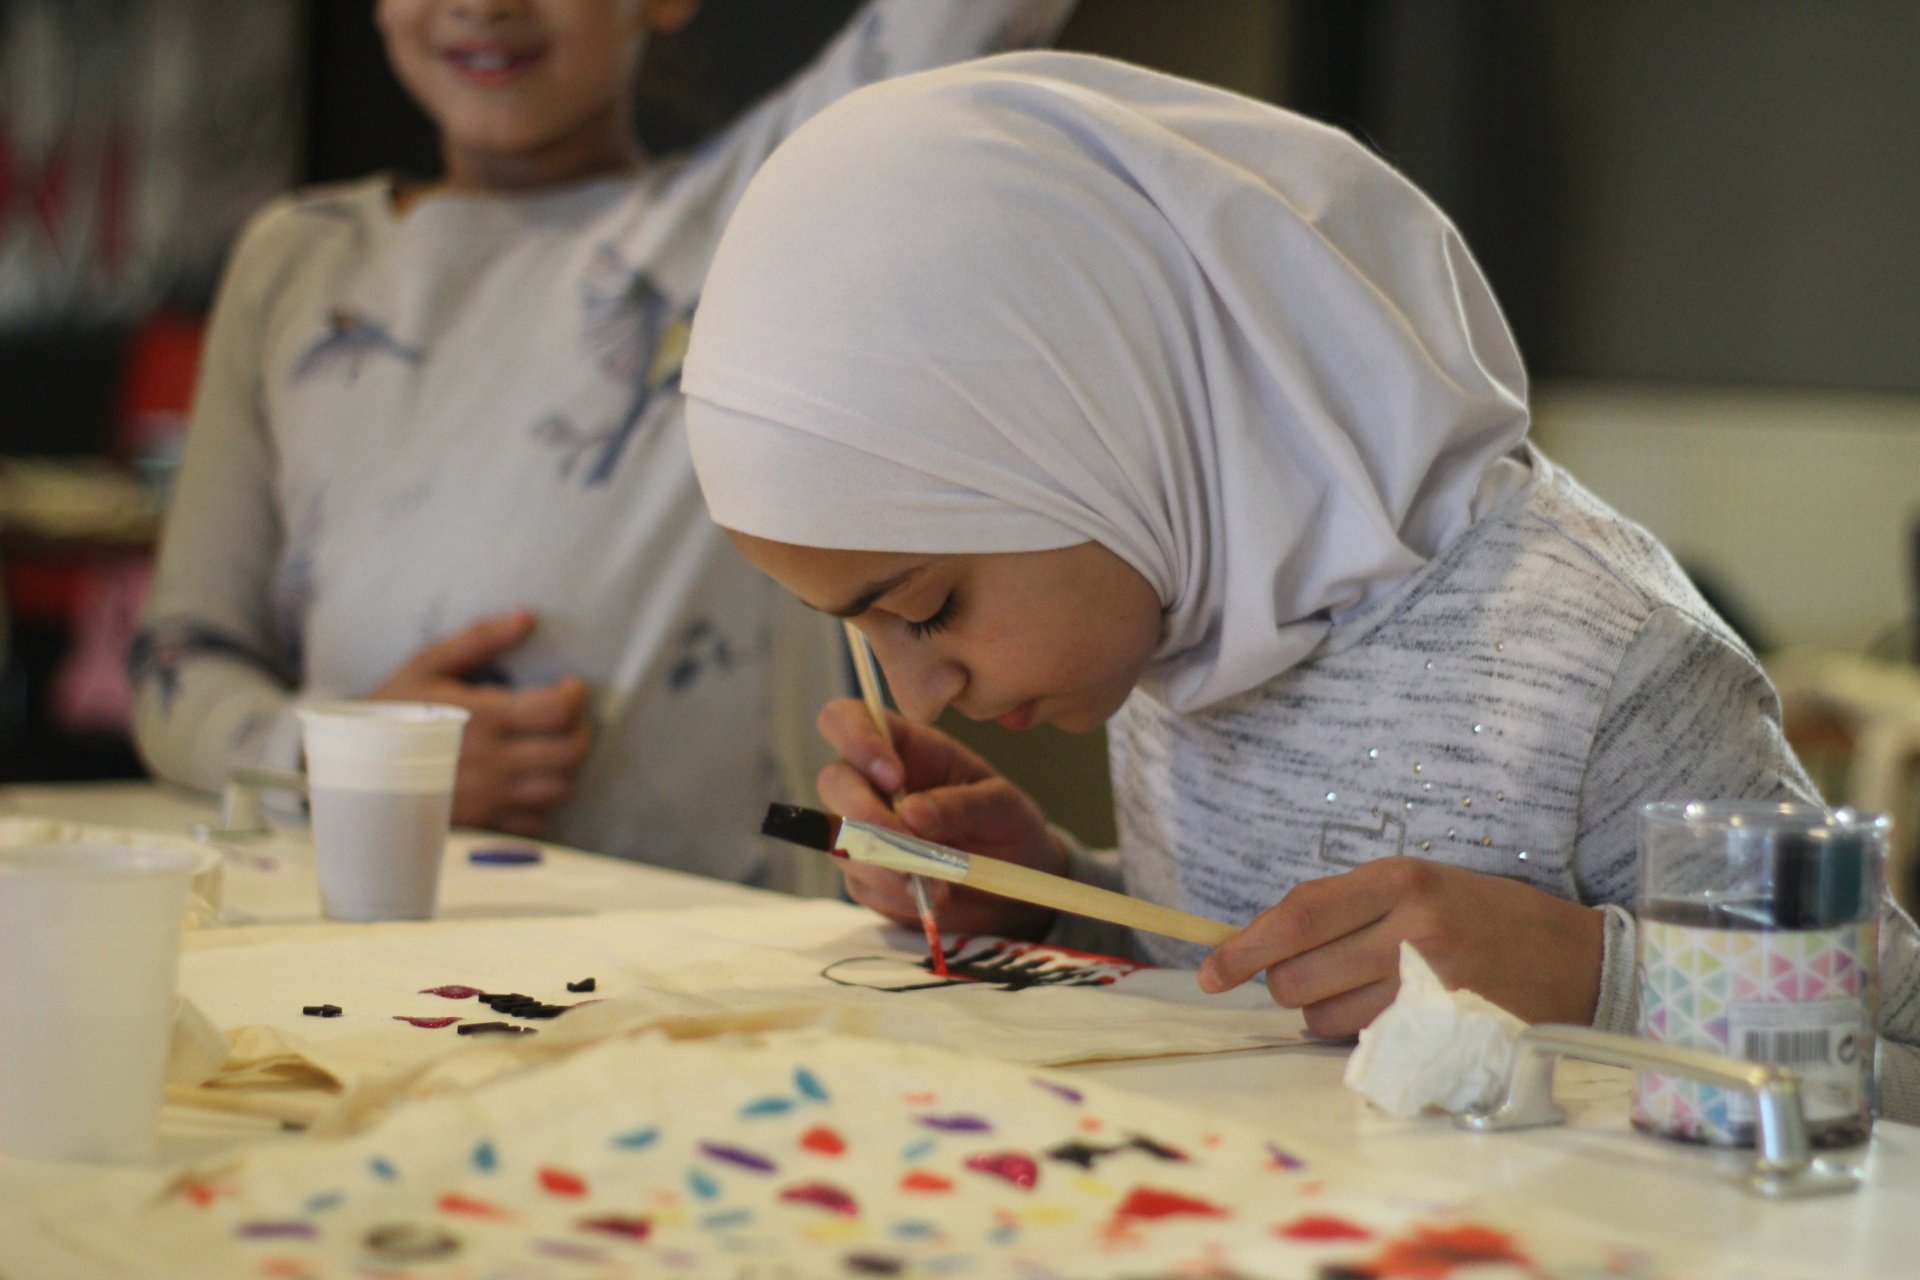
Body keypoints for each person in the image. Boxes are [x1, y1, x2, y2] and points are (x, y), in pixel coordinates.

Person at [677, 46, 1920, 1107]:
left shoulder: (1607, 665)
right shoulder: (1196, 618)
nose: (920, 692)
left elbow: (1899, 1052)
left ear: (1108, 430)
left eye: (928, 606)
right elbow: (1254, 984)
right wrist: (1050, 898)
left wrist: (1600, 978)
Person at [131, 0, 1076, 886]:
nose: (484, 4)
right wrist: (350, 762)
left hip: (726, 949)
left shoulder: (765, 209)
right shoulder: (297, 261)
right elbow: (183, 653)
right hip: (358, 931)